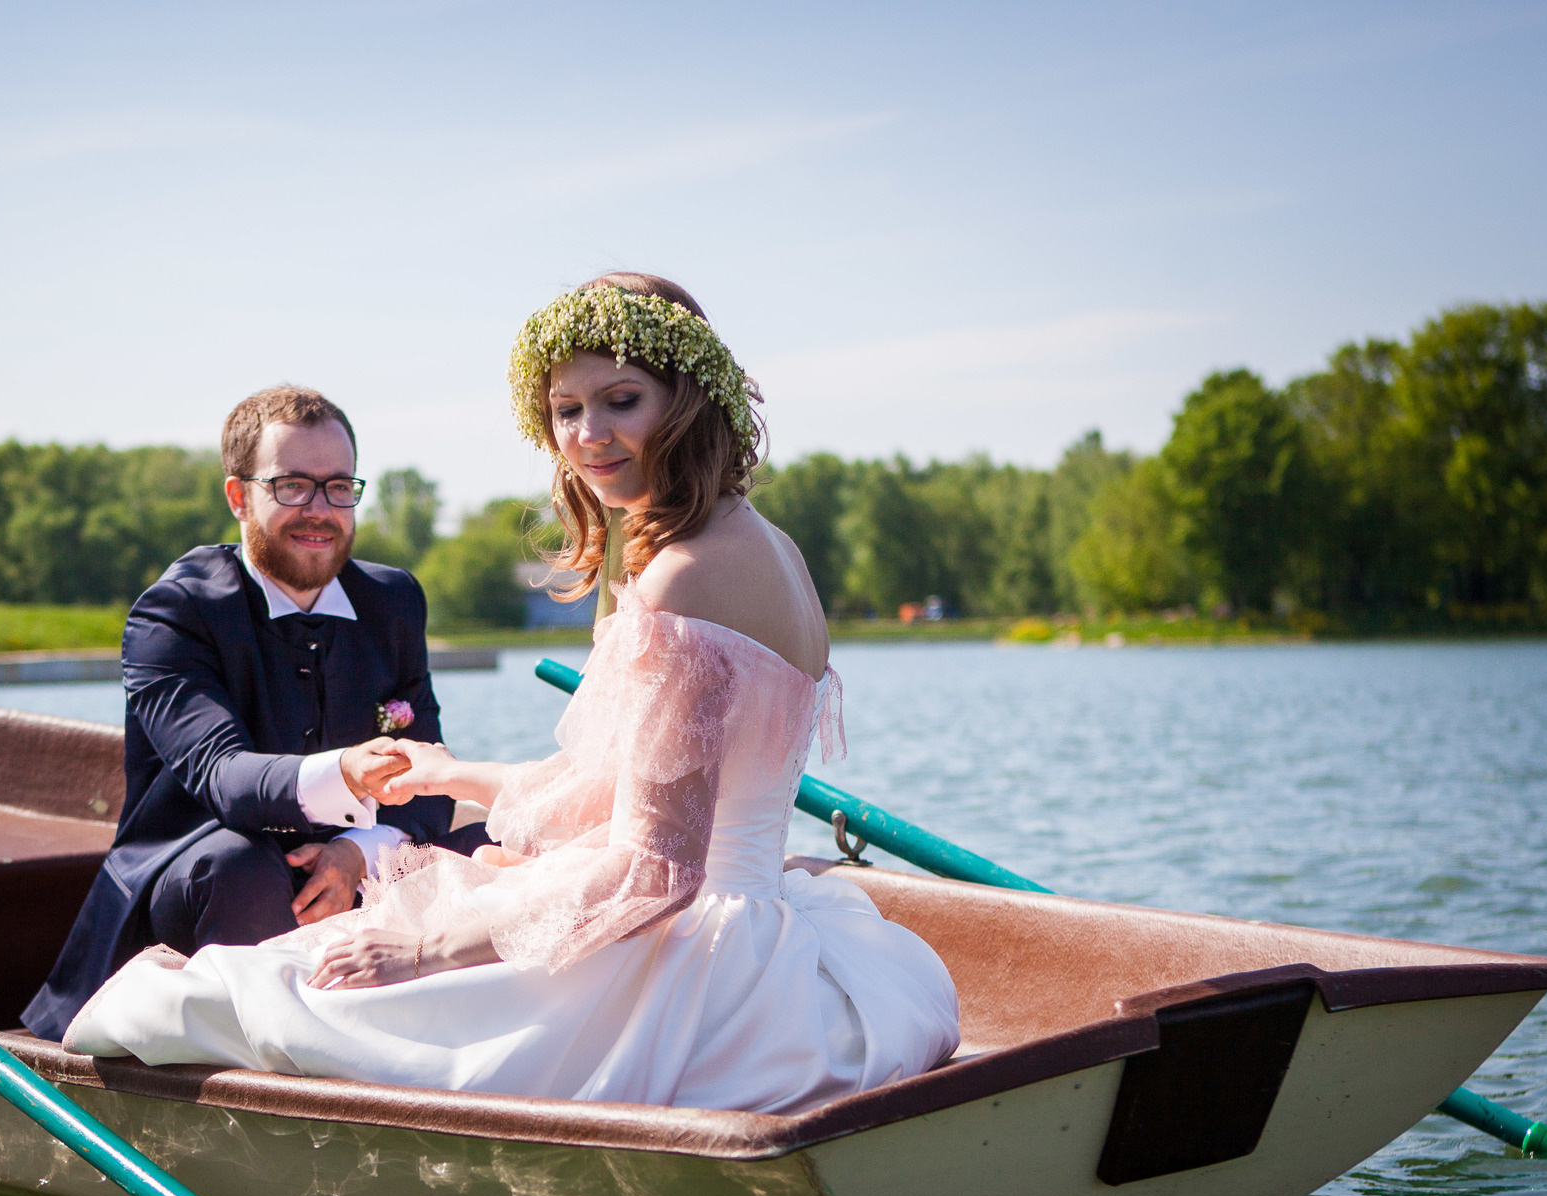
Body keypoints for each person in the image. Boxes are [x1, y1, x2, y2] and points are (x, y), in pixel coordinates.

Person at [62, 275, 961, 1113]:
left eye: (621, 400)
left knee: (255, 994)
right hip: (760, 927)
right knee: (348, 945)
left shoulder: (681, 574)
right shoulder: (767, 547)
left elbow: (655, 870)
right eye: (566, 410)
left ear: (690, 399)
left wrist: (422, 948)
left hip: (692, 956)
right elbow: (629, 786)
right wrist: (449, 775)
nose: (588, 435)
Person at [19, 385, 482, 1041]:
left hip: (348, 869)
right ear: (239, 497)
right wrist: (344, 774)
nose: (320, 510)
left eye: (339, 487)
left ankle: (444, 1053)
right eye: (293, 486)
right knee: (242, 867)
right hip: (202, 873)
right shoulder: (174, 612)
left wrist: (357, 852)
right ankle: (268, 1069)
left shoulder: (394, 601)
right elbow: (223, 775)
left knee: (500, 846)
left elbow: (432, 778)